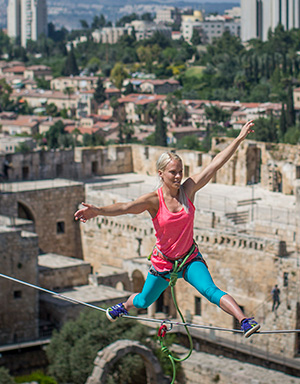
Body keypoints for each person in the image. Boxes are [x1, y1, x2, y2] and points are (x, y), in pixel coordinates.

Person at [74, 120, 261, 338]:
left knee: (210, 291)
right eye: (173, 172)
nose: (178, 176)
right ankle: (124, 306)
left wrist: (238, 139)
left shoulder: (188, 190)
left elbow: (214, 164)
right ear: (161, 173)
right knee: (143, 300)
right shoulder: (153, 200)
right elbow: (125, 207)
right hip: (164, 263)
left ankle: (244, 321)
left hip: (189, 259)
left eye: (180, 171)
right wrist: (98, 210)